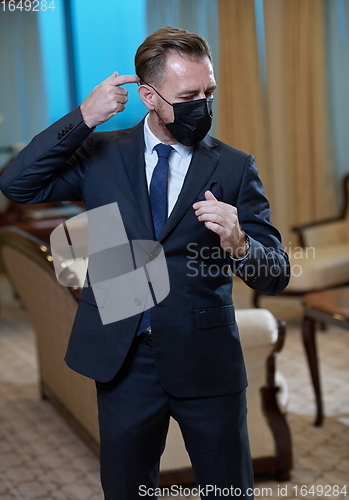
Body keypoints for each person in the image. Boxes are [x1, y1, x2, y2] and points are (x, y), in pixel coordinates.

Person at [0, 27, 289, 500]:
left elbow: (276, 275)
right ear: (150, 96)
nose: (203, 105)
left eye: (208, 92)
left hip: (206, 363)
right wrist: (85, 116)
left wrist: (239, 242)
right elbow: (17, 184)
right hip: (125, 361)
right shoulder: (101, 154)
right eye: (188, 95)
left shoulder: (235, 168)